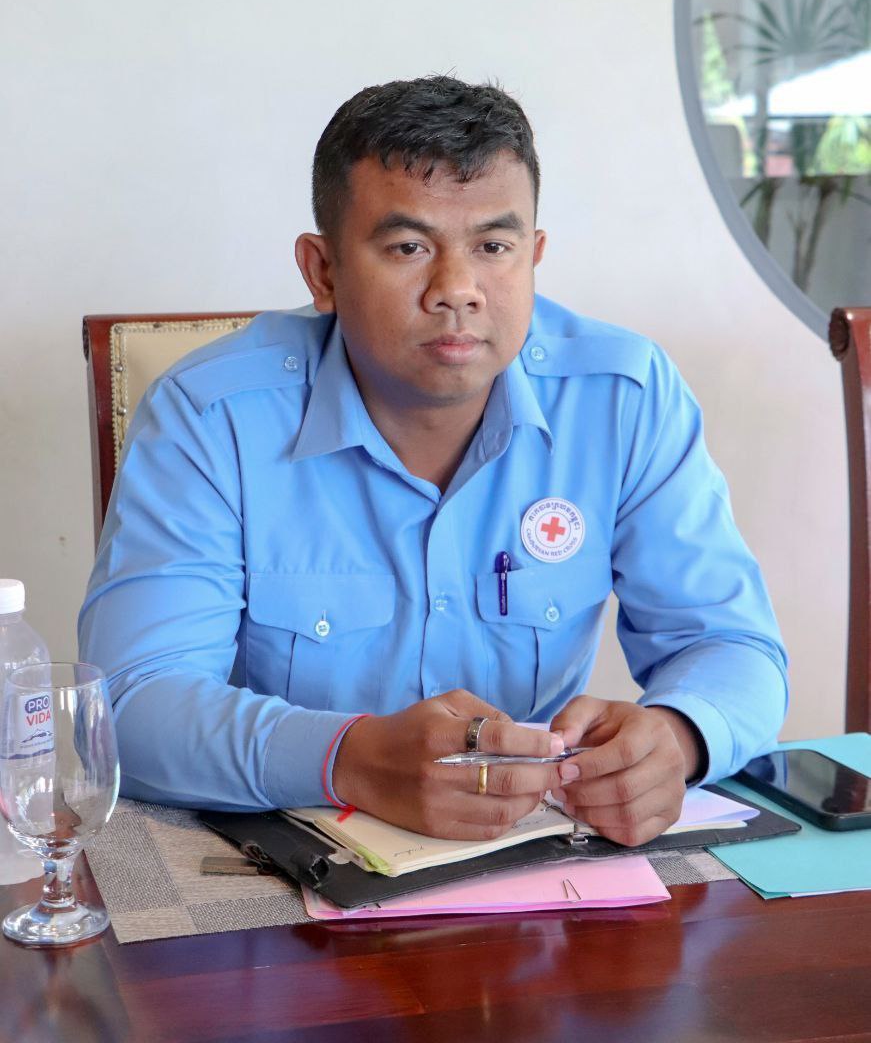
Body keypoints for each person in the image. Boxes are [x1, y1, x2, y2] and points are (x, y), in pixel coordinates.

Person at [79, 75, 788, 847]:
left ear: (533, 257)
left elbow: (732, 646)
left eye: (493, 247)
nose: (457, 291)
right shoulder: (210, 415)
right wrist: (346, 758)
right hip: (284, 861)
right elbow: (129, 708)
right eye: (408, 248)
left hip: (530, 858)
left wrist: (677, 737)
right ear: (323, 271)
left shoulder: (623, 397)